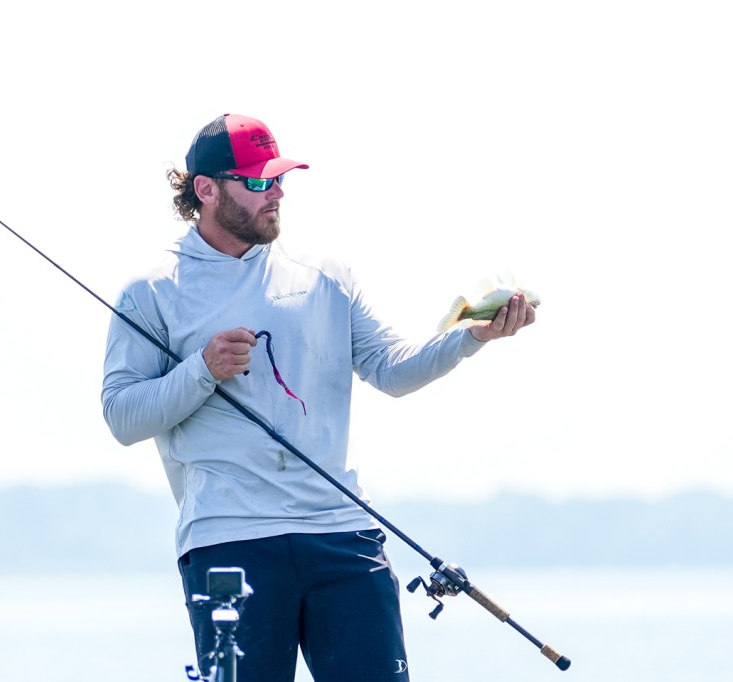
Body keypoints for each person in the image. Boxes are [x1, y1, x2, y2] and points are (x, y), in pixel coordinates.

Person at [101, 113, 536, 682]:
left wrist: (471, 337)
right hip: (227, 541)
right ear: (205, 189)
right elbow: (122, 417)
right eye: (258, 181)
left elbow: (392, 370)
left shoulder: (325, 275)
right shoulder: (152, 291)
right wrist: (202, 369)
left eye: (280, 178)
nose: (277, 193)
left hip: (342, 535)